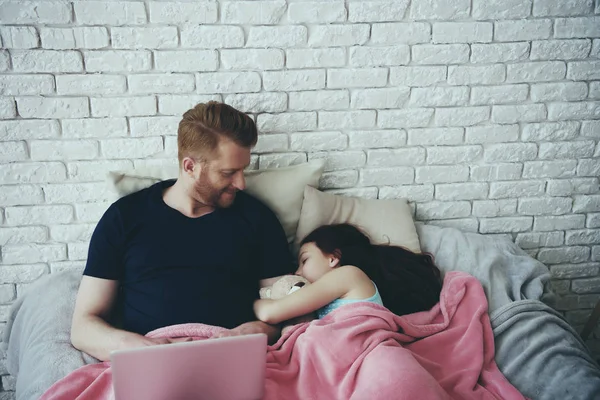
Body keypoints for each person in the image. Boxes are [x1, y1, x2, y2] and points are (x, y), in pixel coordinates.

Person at [71, 102, 295, 361]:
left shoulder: (257, 218)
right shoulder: (124, 217)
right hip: (150, 359)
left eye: (243, 170)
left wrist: (257, 331)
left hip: (231, 356)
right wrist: (137, 347)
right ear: (190, 167)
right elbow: (83, 327)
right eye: (228, 173)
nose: (241, 183)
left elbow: (287, 311)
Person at [253, 223, 443, 325]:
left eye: (305, 260)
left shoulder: (347, 275)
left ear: (333, 258)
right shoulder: (343, 284)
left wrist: (248, 296)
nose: (298, 272)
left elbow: (270, 313)